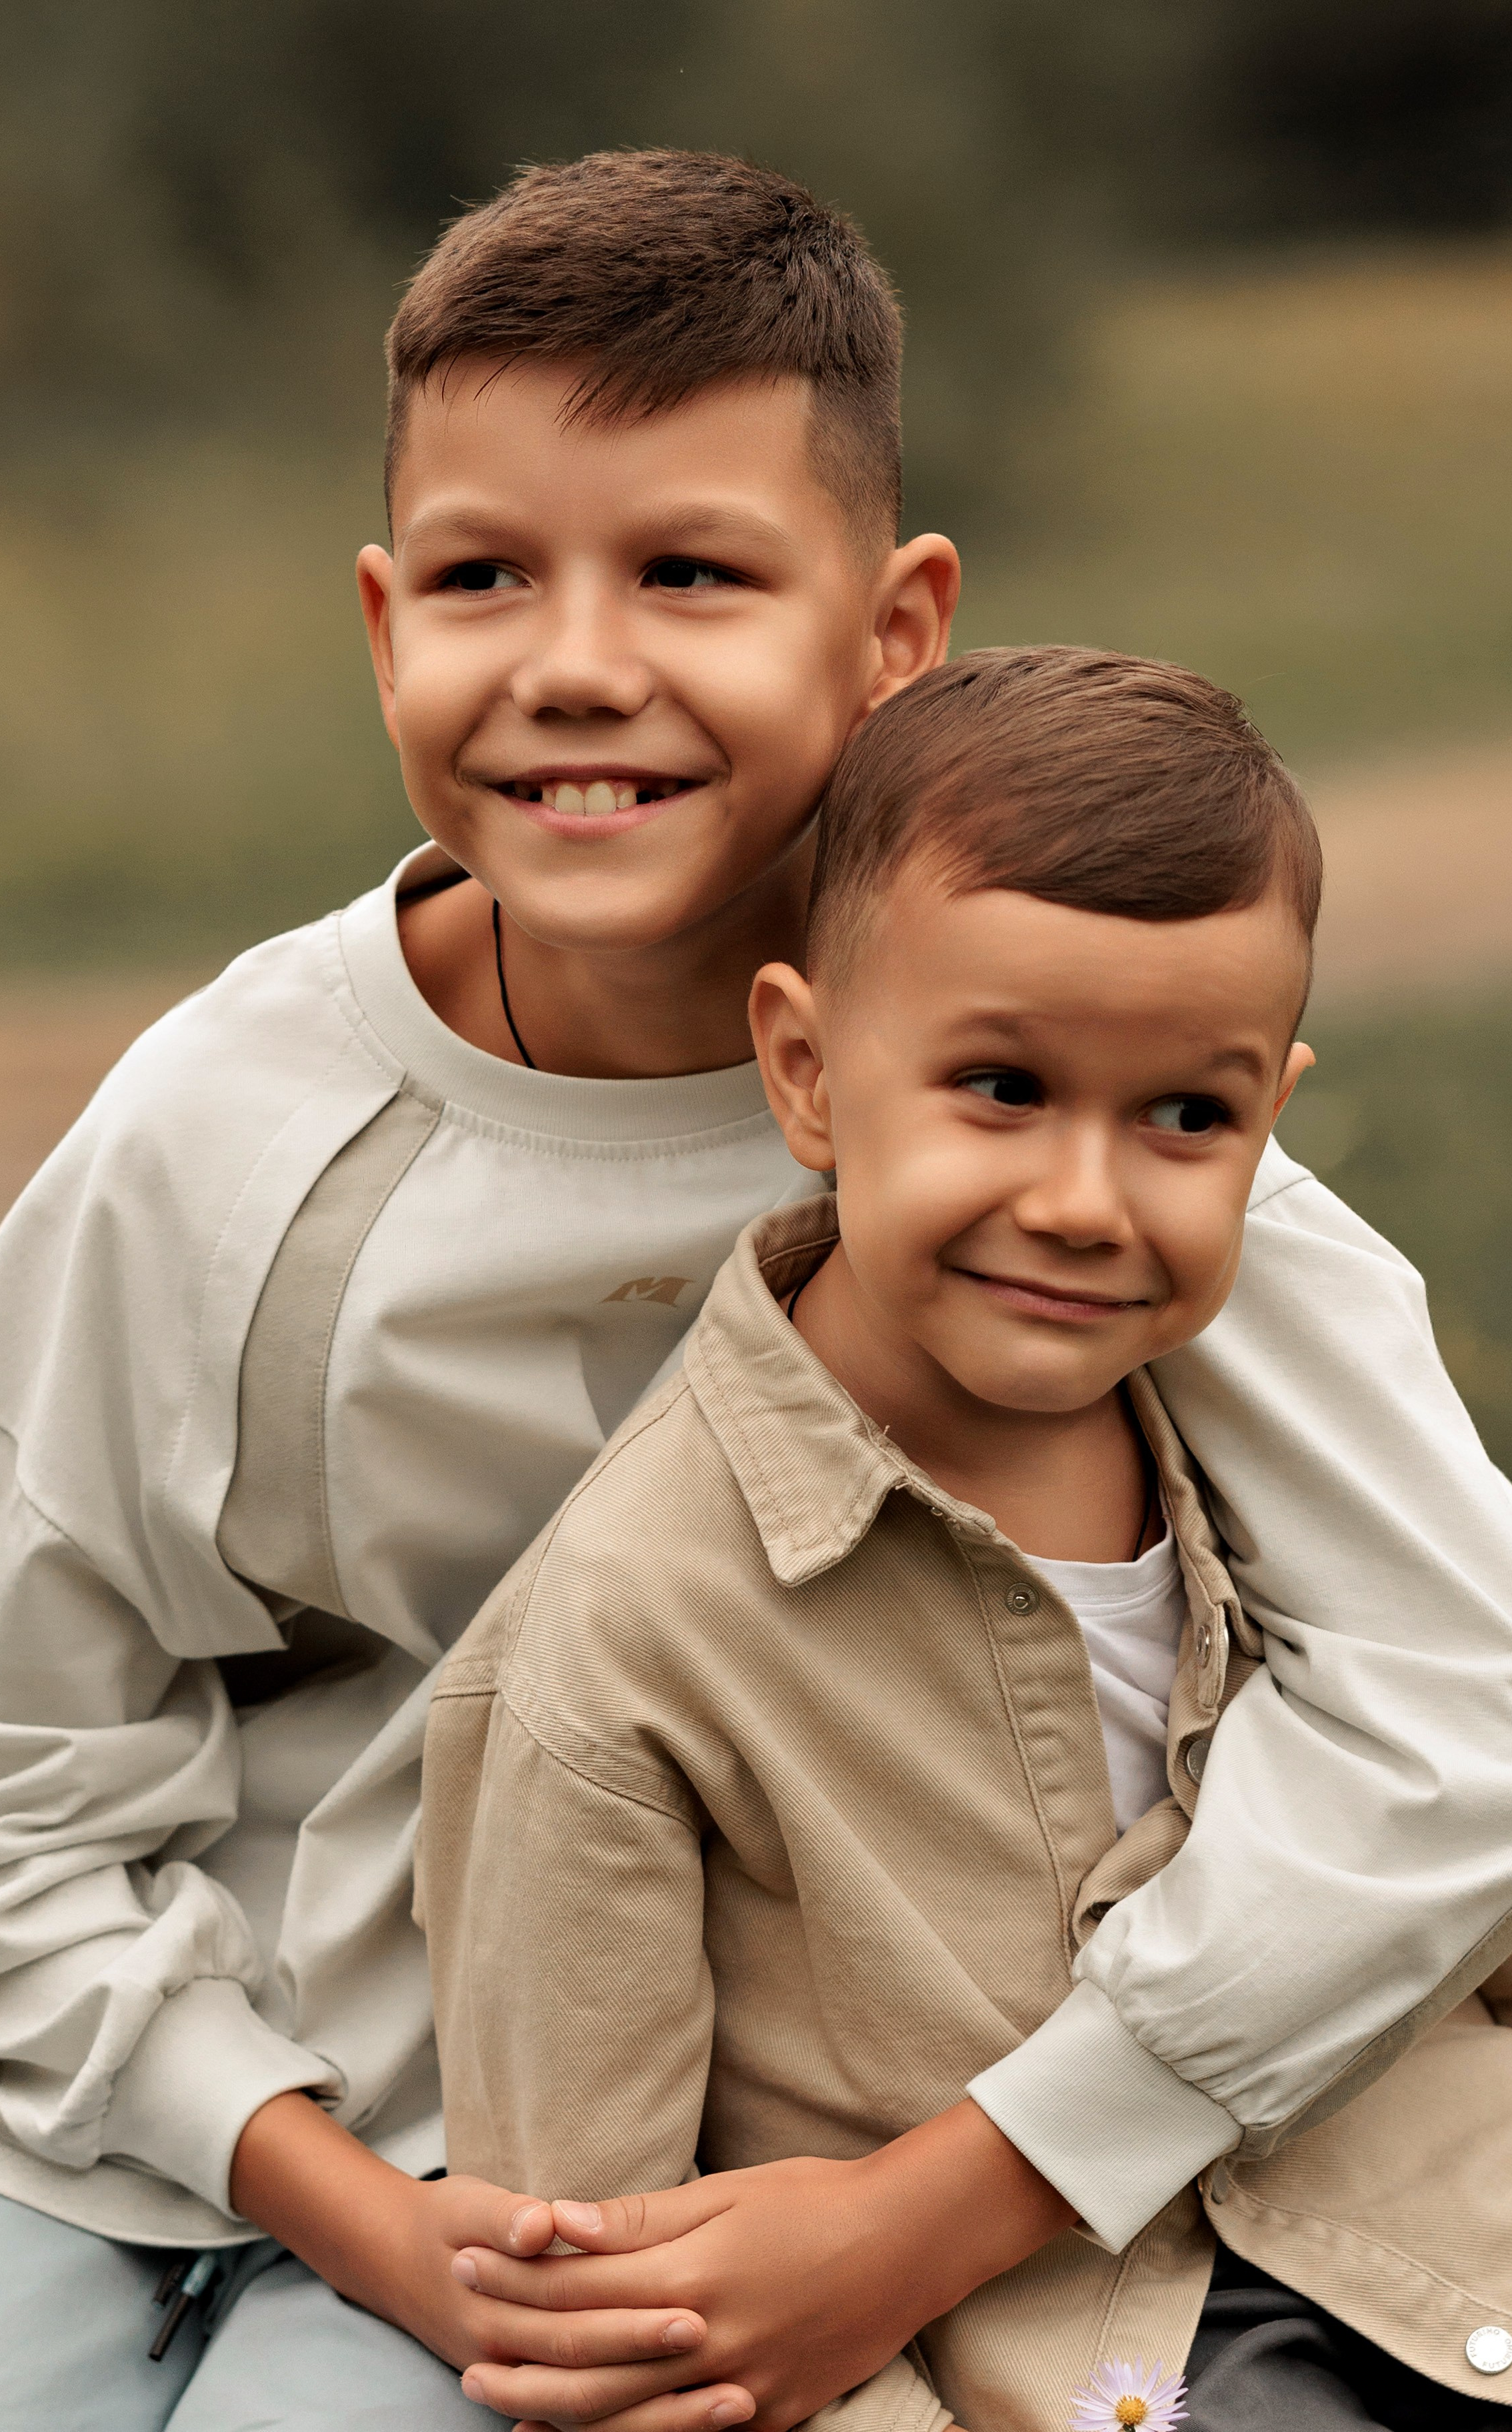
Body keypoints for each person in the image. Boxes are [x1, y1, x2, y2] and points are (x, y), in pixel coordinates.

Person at [0, 151, 1507, 2432]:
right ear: (381, 626)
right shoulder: (225, 1133)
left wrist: (965, 2191)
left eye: (686, 572)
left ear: (890, 629)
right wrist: (305, 2179)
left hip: (602, 2156)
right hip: (94, 2088)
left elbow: (1461, 1722)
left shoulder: (1034, 1138)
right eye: (482, 577)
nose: (575, 663)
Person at [421, 648, 1512, 2432]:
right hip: (1066, 2367)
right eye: (999, 1087)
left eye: (1184, 1116)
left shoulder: (1256, 1432)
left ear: (1270, 1124)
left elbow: (1466, 1823)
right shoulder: (616, 1642)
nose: (1082, 1205)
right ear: (807, 1072)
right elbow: (617, 2303)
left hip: (1435, 2246)